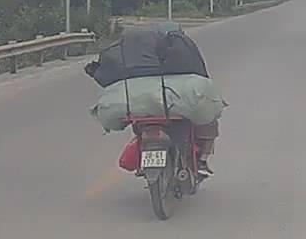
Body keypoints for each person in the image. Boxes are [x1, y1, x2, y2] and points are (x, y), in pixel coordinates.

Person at [85, 23, 219, 176]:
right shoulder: (180, 50)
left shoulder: (125, 57)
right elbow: (199, 72)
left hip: (144, 115)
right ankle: (202, 161)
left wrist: (95, 71)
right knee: (208, 118)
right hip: (170, 111)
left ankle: (193, 160)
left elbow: (106, 76)